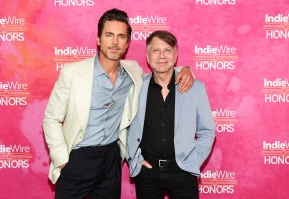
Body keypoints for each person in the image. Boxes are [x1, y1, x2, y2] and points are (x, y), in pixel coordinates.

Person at [43, 9, 194, 199]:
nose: (115, 42)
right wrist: (63, 160)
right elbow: (51, 119)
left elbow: (161, 71)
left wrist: (185, 70)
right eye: (109, 35)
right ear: (98, 39)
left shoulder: (133, 71)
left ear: (127, 43)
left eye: (121, 36)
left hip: (112, 159)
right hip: (78, 158)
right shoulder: (72, 73)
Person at [126, 30, 215, 199]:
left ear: (175, 56)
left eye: (167, 50)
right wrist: (135, 160)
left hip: (183, 171)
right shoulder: (136, 87)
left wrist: (193, 162)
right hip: (147, 173)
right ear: (147, 56)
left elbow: (207, 131)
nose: (162, 56)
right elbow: (127, 128)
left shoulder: (196, 88)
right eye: (156, 50)